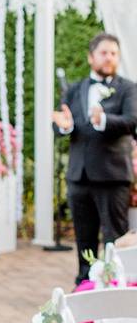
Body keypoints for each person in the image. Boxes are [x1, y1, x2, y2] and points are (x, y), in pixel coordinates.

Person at [52, 32, 137, 285]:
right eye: (104, 52)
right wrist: (65, 126)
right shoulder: (75, 90)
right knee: (84, 238)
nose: (109, 57)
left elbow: (133, 121)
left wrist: (105, 121)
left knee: (115, 238)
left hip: (113, 176)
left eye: (114, 53)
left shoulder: (128, 88)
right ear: (91, 57)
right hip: (79, 176)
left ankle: (115, 286)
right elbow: (61, 125)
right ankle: (84, 285)